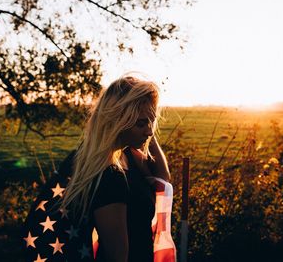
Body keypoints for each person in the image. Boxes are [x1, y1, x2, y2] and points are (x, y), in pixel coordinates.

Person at [22, 74, 174, 262]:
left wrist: (145, 124)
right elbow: (117, 256)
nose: (150, 131)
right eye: (141, 123)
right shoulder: (110, 174)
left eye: (152, 121)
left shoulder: (125, 155)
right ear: (118, 121)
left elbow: (162, 179)